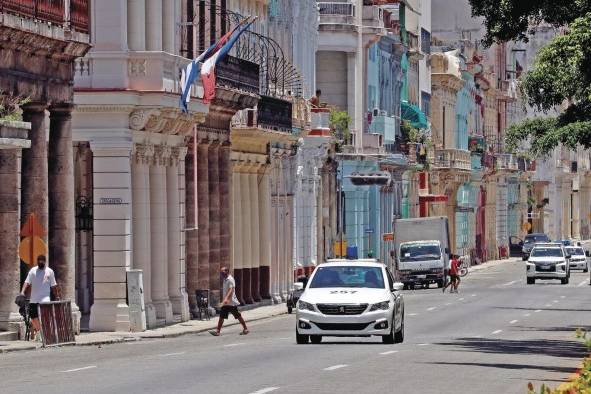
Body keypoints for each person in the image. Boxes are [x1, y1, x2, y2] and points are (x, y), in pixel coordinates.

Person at [20, 255, 59, 340]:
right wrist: (23, 291)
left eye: (42, 261)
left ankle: (44, 334)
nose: (41, 262)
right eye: (39, 261)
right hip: (34, 299)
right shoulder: (33, 271)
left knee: (45, 317)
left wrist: (57, 296)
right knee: (33, 317)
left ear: (45, 261)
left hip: (45, 299)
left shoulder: (50, 271)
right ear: (37, 261)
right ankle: (39, 331)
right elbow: (27, 282)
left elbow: (54, 285)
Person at [209, 267, 249, 336]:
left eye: (222, 272)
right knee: (221, 316)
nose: (221, 274)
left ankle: (245, 329)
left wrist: (226, 299)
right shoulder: (225, 279)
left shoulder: (230, 279)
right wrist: (224, 300)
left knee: (238, 315)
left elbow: (231, 290)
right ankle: (218, 331)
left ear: (227, 271)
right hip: (226, 303)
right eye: (221, 272)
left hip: (231, 303)